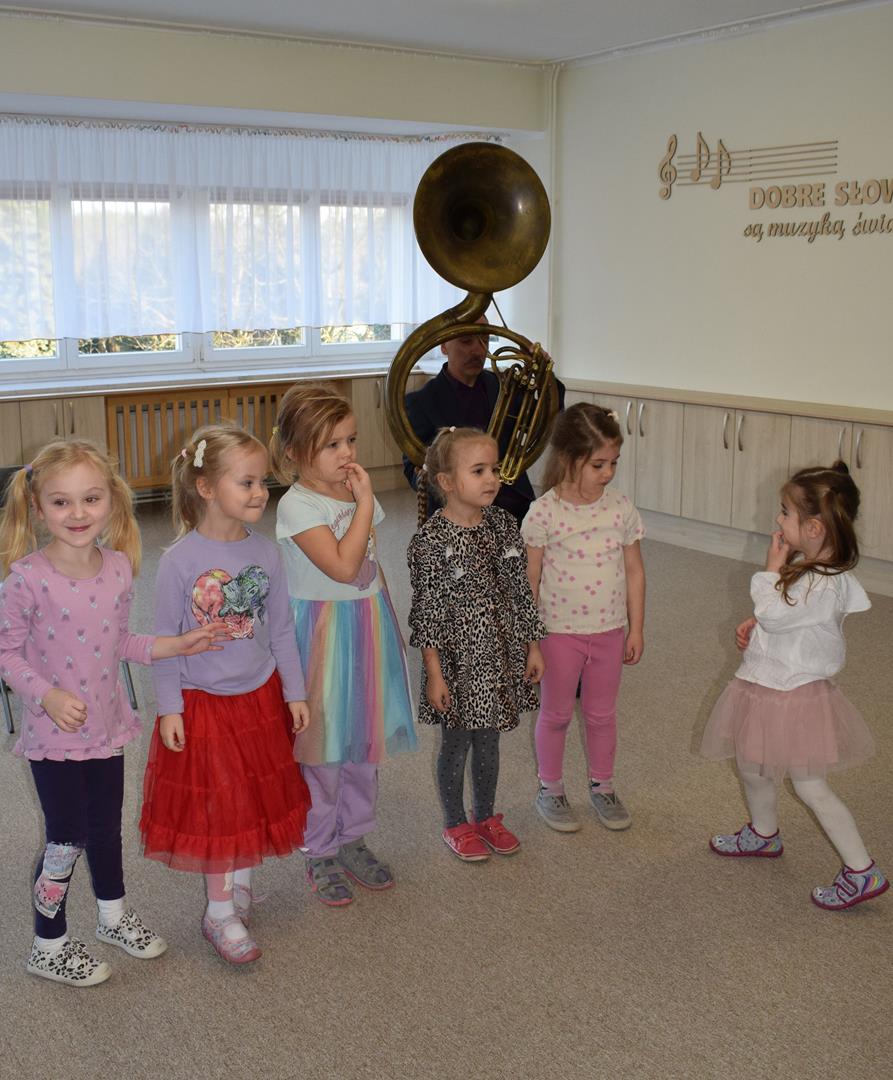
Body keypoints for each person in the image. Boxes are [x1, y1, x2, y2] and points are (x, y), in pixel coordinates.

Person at [0, 439, 227, 986]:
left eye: (91, 498)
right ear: (38, 508)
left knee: (105, 829)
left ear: (112, 500)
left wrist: (177, 645)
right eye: (61, 502)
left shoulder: (119, 568)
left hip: (106, 727)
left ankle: (112, 916)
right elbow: (6, 654)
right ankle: (47, 944)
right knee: (65, 839)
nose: (78, 513)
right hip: (54, 736)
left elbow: (121, 641)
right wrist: (48, 695)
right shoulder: (26, 579)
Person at [140, 424, 312, 964]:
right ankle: (218, 913)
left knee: (251, 797)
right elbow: (165, 643)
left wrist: (295, 691)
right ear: (207, 488)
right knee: (222, 806)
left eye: (263, 481)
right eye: (247, 482)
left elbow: (281, 630)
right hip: (204, 704)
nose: (261, 492)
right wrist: (170, 708)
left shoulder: (267, 553)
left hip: (258, 698)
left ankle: (236, 886)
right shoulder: (178, 561)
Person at [701, 462, 887, 911]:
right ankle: (764, 833)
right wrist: (757, 626)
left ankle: (861, 870)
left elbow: (778, 612)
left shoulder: (823, 584)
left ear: (814, 527)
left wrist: (770, 572)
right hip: (768, 686)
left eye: (785, 512)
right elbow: (784, 619)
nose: (778, 519)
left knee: (810, 786)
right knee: (754, 766)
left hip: (793, 697)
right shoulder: (811, 571)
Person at [270, 385, 416, 906]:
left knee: (362, 745)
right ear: (294, 452)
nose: (347, 453)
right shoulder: (297, 506)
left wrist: (389, 626)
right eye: (331, 444)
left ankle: (353, 837)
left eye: (350, 440)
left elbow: (371, 569)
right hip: (322, 638)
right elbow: (342, 565)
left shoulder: (353, 495)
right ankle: (320, 847)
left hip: (365, 629)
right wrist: (367, 503)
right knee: (323, 751)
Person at [408, 426, 546, 861]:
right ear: (447, 482)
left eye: (495, 469)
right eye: (479, 470)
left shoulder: (504, 526)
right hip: (457, 664)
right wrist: (434, 674)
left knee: (489, 743)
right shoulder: (430, 541)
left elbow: (522, 592)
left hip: (498, 658)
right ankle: (455, 822)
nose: (492, 479)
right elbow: (427, 613)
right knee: (456, 745)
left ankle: (485, 816)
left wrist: (533, 646)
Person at [521, 403, 646, 834]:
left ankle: (603, 786)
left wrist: (636, 628)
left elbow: (635, 571)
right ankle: (550, 789)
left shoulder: (621, 509)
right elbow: (530, 578)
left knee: (601, 714)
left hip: (609, 632)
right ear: (569, 458)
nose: (608, 473)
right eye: (598, 464)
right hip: (559, 633)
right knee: (556, 714)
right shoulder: (544, 512)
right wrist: (531, 642)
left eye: (613, 463)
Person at [402, 317, 564, 523]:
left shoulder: (506, 384)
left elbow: (547, 416)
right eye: (466, 341)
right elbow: (413, 470)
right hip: (459, 515)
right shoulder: (421, 402)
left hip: (515, 506)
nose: (478, 350)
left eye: (485, 340)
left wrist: (545, 376)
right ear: (444, 346)